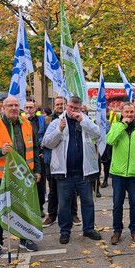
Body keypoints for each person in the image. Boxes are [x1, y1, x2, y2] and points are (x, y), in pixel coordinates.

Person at [0, 96, 41, 258]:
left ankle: (24, 238)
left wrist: (37, 170)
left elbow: (34, 149)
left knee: (23, 207)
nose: (14, 108)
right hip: (1, 176)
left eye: (16, 105)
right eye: (10, 105)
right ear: (3, 108)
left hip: (23, 175)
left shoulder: (27, 124)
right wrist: (0, 151)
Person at [43, 96, 102, 244]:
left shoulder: (86, 121)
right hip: (64, 173)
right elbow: (47, 143)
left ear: (80, 107)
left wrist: (83, 120)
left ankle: (88, 229)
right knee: (64, 204)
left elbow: (97, 134)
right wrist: (59, 130)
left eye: (76, 108)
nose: (73, 111)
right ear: (66, 106)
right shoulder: (57, 122)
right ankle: (65, 231)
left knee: (88, 202)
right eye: (70, 107)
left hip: (84, 172)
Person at [106, 102, 135, 245]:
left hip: (134, 173)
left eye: (131, 112)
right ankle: (117, 231)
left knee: (134, 203)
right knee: (117, 204)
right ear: (122, 113)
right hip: (118, 174)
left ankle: (134, 230)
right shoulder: (116, 126)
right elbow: (110, 140)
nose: (129, 115)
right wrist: (122, 125)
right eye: (126, 112)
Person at [42, 96, 80, 227]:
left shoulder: (75, 118)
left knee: (72, 190)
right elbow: (42, 136)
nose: (59, 106)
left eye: (62, 104)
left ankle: (73, 214)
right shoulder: (48, 119)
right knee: (53, 190)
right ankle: (52, 215)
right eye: (57, 104)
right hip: (50, 160)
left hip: (68, 162)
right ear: (54, 106)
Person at [25, 99, 47, 215]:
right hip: (26, 157)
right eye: (27, 107)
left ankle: (40, 207)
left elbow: (46, 134)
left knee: (40, 184)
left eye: (31, 107)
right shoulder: (21, 121)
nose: (29, 110)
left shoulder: (42, 120)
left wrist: (43, 150)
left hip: (40, 156)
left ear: (35, 109)